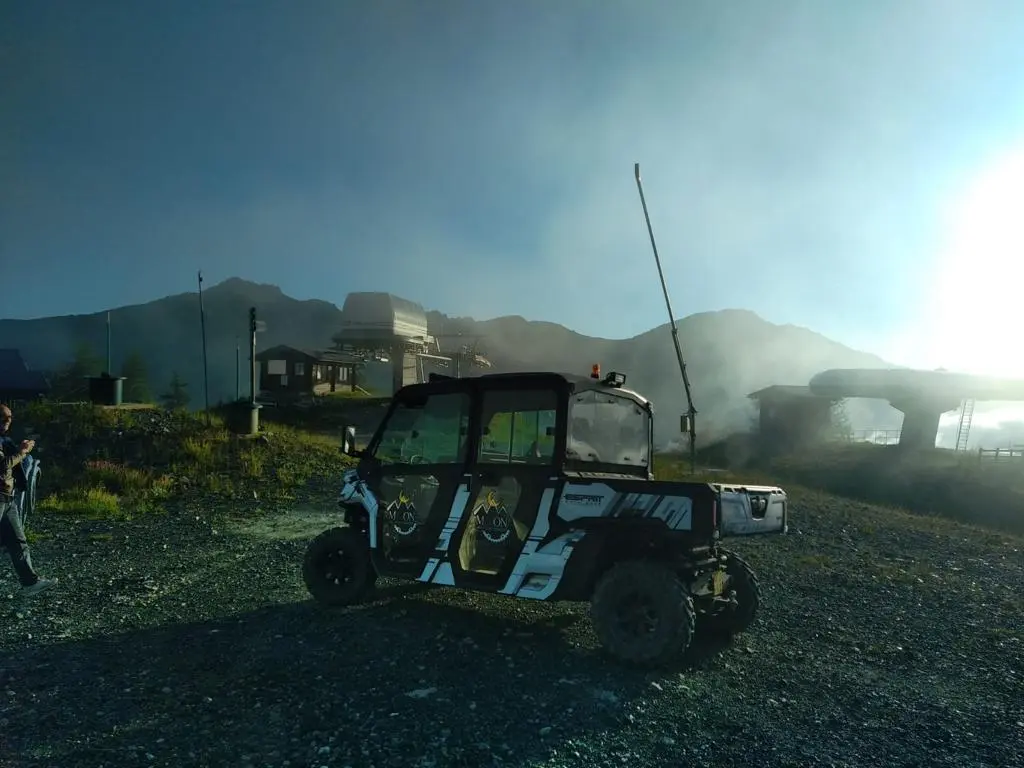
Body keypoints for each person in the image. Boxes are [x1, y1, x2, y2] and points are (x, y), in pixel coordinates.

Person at [0, 404, 56, 597]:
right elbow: (3, 465)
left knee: (17, 540)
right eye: (3, 417)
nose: (7, 421)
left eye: (9, 418)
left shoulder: (4, 441)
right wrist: (22, 452)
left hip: (7, 498)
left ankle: (30, 583)